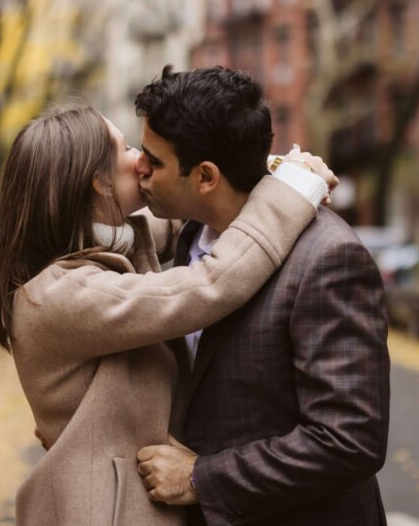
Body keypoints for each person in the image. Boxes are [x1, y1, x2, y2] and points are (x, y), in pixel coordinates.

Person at [0, 101, 333, 525]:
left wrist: (266, 166)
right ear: (99, 182)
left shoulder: (98, 249)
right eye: (127, 149)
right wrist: (292, 191)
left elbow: (194, 208)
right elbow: (207, 286)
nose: (142, 161)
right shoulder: (62, 295)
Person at [135, 66, 391, 526]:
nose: (139, 168)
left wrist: (200, 478)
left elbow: (349, 440)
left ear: (206, 177)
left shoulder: (329, 258)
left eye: (153, 161)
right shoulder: (190, 233)